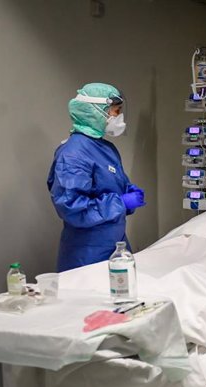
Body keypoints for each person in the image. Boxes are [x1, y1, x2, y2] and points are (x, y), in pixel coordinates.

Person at [48, 83, 146, 272]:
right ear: (95, 112)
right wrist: (121, 202)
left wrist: (127, 191)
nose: (118, 117)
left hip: (115, 244)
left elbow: (109, 189)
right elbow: (73, 208)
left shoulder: (106, 149)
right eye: (115, 111)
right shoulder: (73, 155)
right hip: (87, 253)